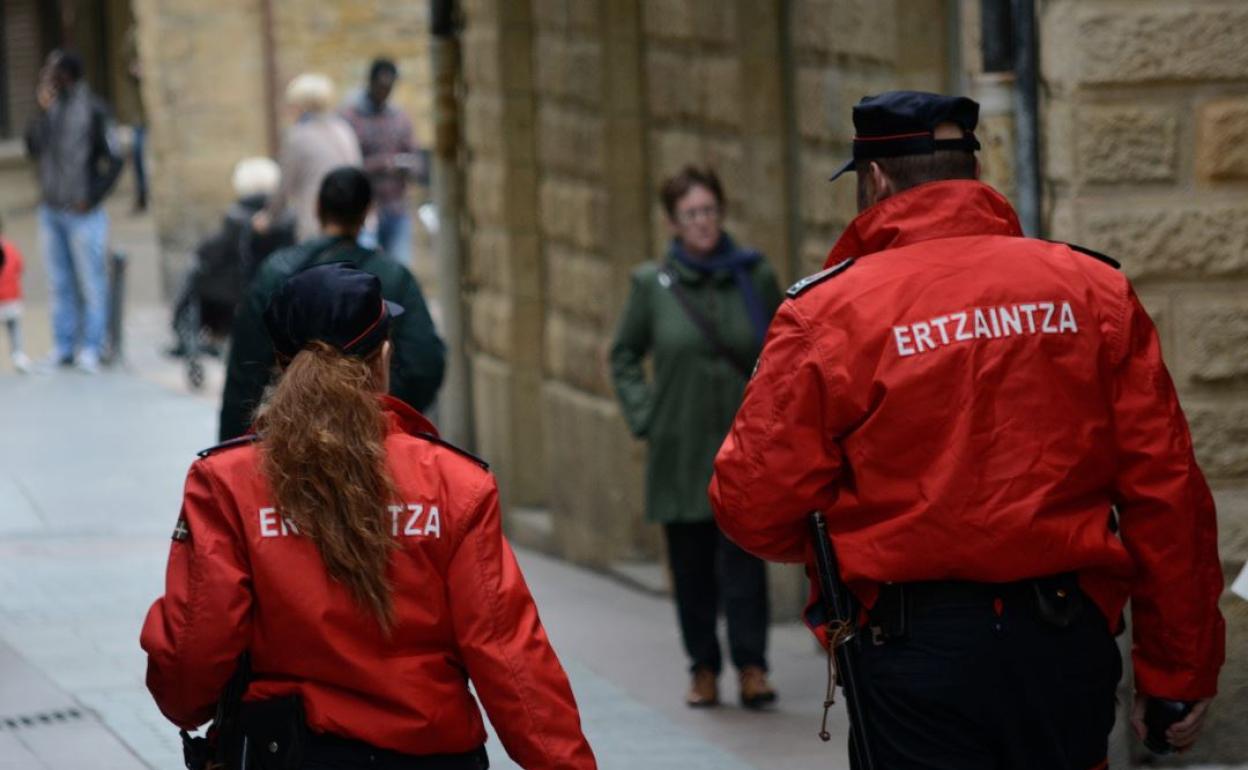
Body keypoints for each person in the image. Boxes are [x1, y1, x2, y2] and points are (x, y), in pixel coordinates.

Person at [709, 91, 1225, 768]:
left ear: (877, 180)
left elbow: (752, 503)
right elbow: (1168, 495)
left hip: (911, 646)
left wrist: (847, 536)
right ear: (970, 176)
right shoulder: (1090, 289)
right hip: (1063, 639)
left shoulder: (830, 312)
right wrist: (1177, 673)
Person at [142, 262, 597, 769]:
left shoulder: (227, 484)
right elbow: (513, 661)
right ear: (382, 359)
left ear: (280, 365)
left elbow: (190, 665)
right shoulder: (453, 484)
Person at [610, 165, 782, 710]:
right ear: (672, 223)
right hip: (681, 451)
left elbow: (784, 350)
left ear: (722, 213)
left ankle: (752, 667)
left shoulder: (753, 276)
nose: (703, 223)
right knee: (691, 569)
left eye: (709, 211)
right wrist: (646, 416)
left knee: (745, 565)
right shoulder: (651, 285)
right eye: (691, 215)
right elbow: (623, 356)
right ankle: (703, 668)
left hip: (744, 449)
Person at [220, 166, 444, 442]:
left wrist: (230, 447)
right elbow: (425, 361)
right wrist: (384, 413)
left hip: (291, 442)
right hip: (375, 439)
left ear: (317, 207)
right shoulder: (394, 277)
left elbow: (244, 373)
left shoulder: (276, 273)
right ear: (367, 211)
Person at [24, 50, 124, 374]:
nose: (49, 78)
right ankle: (63, 346)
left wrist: (92, 197)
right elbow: (31, 147)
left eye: (54, 72)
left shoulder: (95, 109)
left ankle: (92, 348)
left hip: (83, 213)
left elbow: (116, 159)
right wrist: (40, 112)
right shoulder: (50, 110)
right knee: (59, 283)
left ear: (68, 75)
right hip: (51, 211)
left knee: (91, 282)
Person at [168, 157, 296, 355]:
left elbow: (210, 253)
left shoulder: (236, 219)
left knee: (197, 277)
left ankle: (193, 333)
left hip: (237, 294)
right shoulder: (288, 220)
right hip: (280, 291)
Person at [256, 73, 363, 242]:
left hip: (317, 225)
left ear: (300, 106)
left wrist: (268, 217)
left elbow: (284, 187)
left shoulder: (298, 136)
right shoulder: (344, 129)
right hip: (355, 223)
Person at [342, 57, 423, 265]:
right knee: (366, 271)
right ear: (371, 82)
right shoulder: (351, 117)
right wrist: (383, 163)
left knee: (399, 269)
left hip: (396, 206)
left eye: (389, 86)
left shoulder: (399, 118)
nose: (384, 91)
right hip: (365, 211)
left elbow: (416, 159)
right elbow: (348, 164)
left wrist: (406, 165)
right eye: (381, 85)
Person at [0, 215, 32, 373]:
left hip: (5, 298)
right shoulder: (11, 248)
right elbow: (20, 267)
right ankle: (18, 354)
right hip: (12, 297)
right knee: (13, 328)